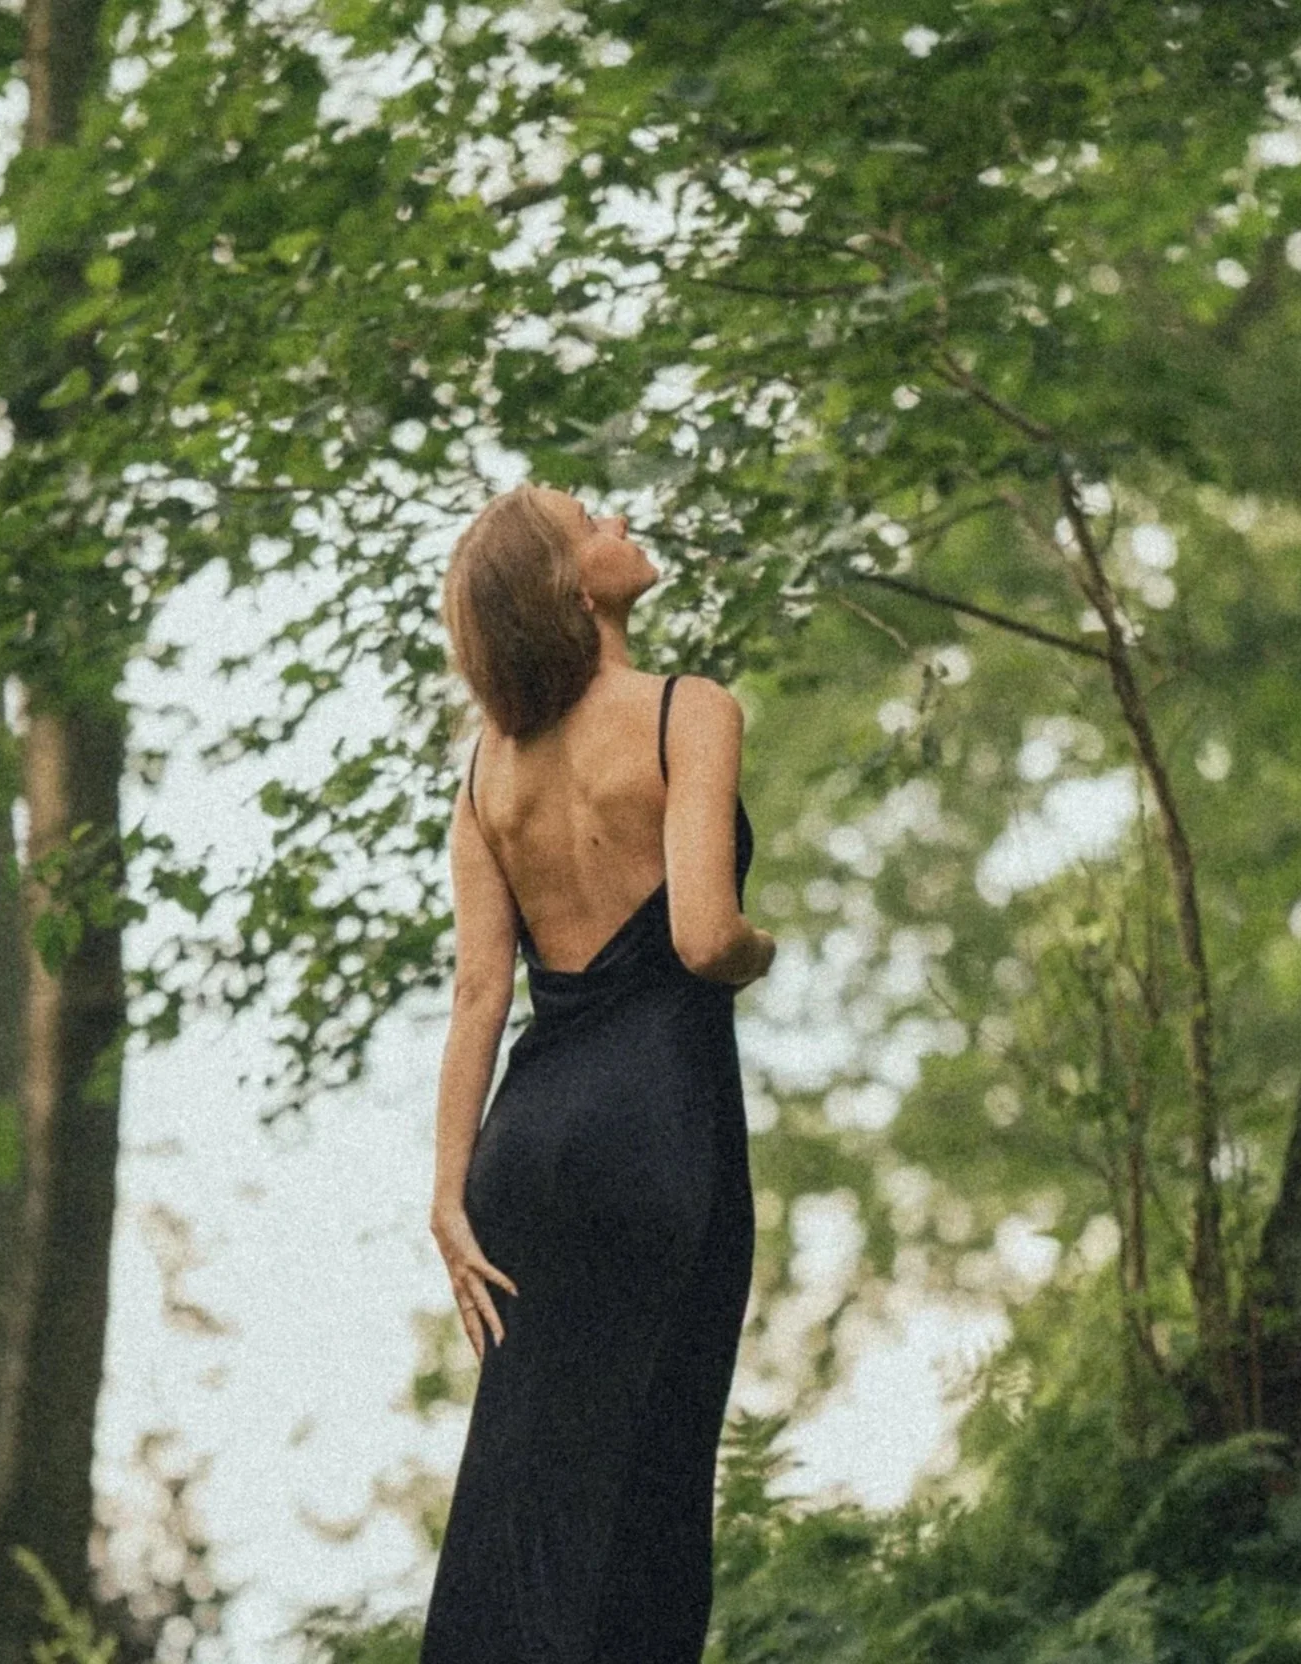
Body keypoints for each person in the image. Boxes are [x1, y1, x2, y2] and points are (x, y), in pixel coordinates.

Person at [419, 482, 775, 1662]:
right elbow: (703, 938)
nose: (618, 523)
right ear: (571, 585)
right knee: (654, 1483)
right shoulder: (689, 710)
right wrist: (763, 947)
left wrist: (446, 1193)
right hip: (657, 1127)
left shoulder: (487, 771)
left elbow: (479, 992)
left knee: (522, 1498)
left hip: (522, 1148)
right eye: (590, 521)